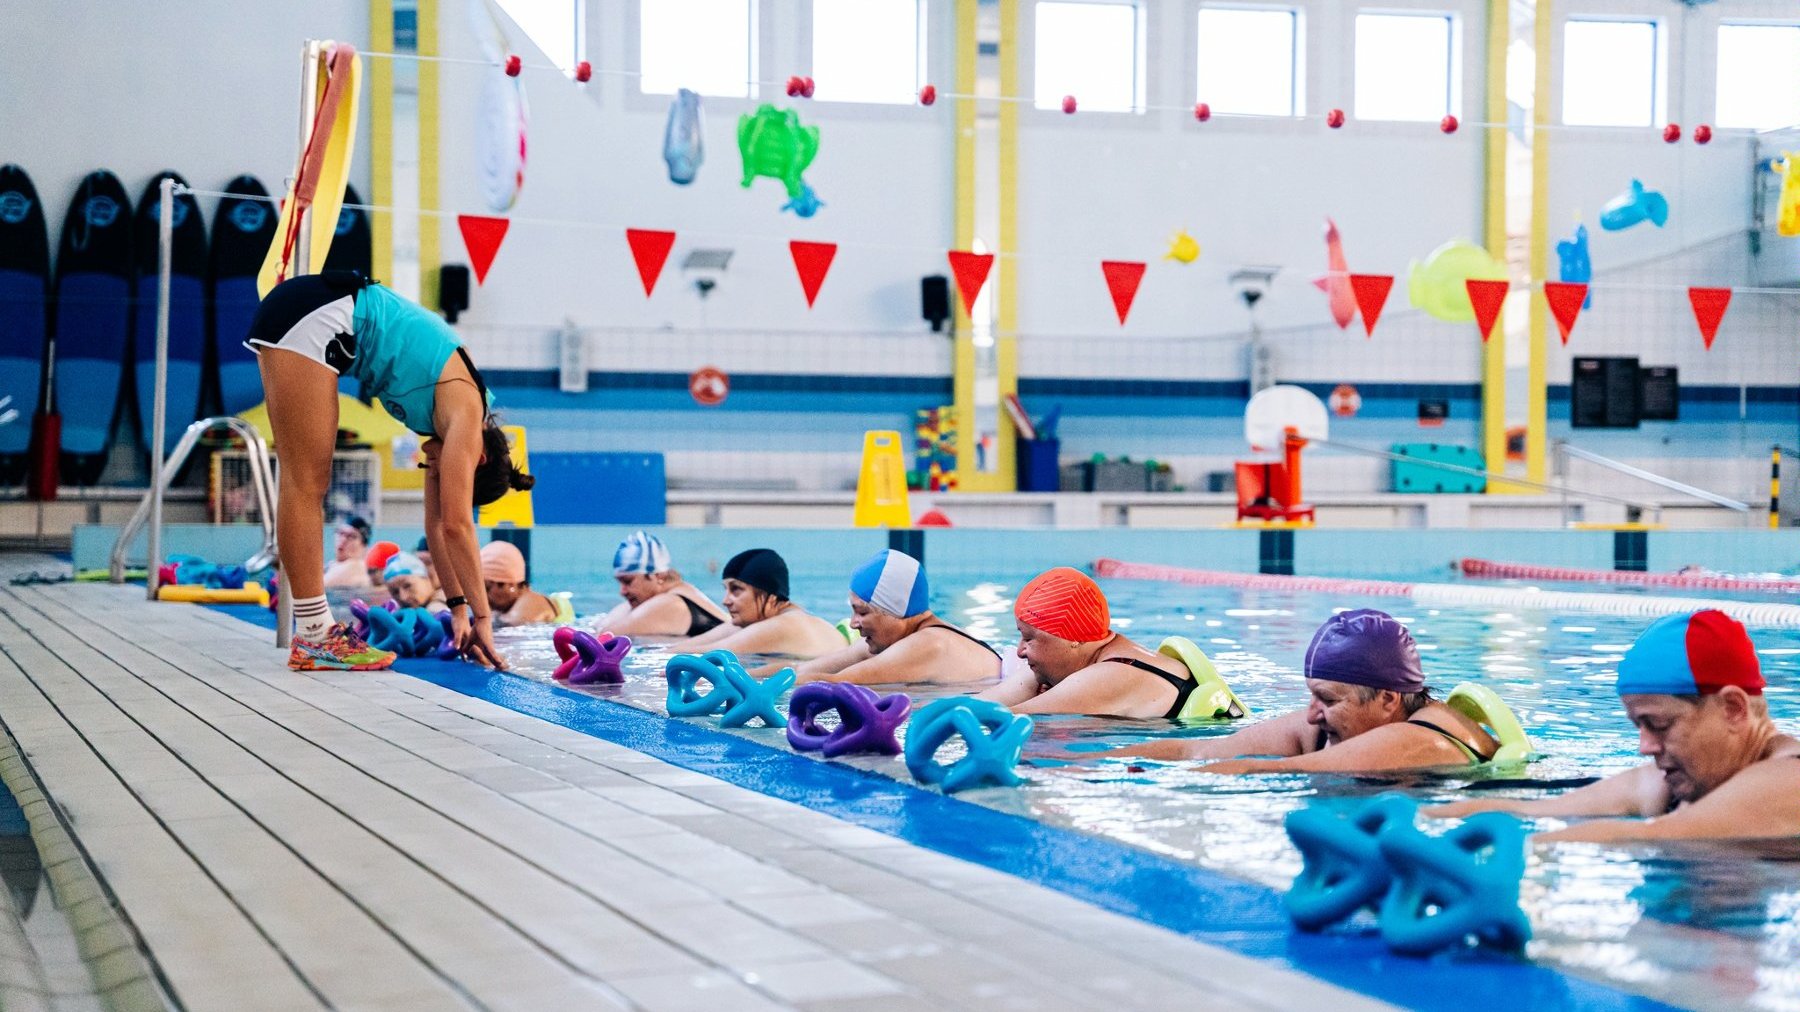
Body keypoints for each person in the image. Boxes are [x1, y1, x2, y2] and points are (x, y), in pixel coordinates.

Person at [246, 270, 531, 670]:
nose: (429, 465)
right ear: (478, 458)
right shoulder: (467, 413)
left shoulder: (445, 424)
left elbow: (435, 530)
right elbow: (456, 525)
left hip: (308, 314)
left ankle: (314, 634)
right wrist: (485, 617)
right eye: (441, 467)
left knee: (304, 482)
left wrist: (459, 610)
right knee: (306, 482)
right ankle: (314, 635)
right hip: (317, 314)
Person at [1426, 610, 1800, 841]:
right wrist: (1418, 822)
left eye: (1659, 725)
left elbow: (1656, 837)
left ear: (1733, 709)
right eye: (1639, 726)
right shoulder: (1680, 782)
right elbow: (1535, 812)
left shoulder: (1790, 779)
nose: (1645, 747)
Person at [1114, 609, 1500, 772]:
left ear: (1387, 698)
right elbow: (1195, 751)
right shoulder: (1340, 724)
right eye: (1314, 696)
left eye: (1329, 700)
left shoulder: (1416, 740)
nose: (1313, 713)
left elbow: (1273, 773)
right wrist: (1093, 763)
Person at [978, 568, 1247, 719]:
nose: (1019, 651)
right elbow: (983, 705)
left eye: (1029, 638)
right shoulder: (1079, 658)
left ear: (1073, 639)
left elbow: (997, 721)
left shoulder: (1109, 676)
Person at [788, 549, 1000, 686]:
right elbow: (802, 670)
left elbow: (836, 684)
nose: (853, 624)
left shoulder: (929, 644)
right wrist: (754, 676)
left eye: (862, 613)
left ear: (895, 611)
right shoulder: (892, 641)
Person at [669, 548, 845, 658]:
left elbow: (706, 654)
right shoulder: (769, 619)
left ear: (769, 595)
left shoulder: (782, 626)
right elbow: (680, 648)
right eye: (726, 589)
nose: (725, 601)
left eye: (736, 589)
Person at [592, 531, 729, 637]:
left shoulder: (670, 603)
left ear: (657, 575)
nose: (622, 591)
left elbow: (604, 638)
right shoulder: (669, 596)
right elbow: (602, 628)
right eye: (620, 582)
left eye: (628, 581)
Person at [480, 540, 558, 627]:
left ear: (510, 584)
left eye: (487, 589)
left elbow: (514, 628)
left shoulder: (529, 602)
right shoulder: (507, 610)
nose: (482, 597)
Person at [323, 516, 372, 588]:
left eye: (351, 536)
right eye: (341, 533)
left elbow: (312, 589)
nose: (343, 540)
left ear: (363, 546)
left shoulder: (355, 566)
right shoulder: (332, 564)